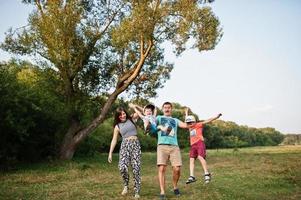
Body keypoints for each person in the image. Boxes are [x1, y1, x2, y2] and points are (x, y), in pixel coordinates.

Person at [155, 102, 188, 200]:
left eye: (169, 107)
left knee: (177, 169)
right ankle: (162, 192)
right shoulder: (159, 118)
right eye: (165, 107)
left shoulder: (175, 120)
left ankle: (175, 186)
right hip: (162, 146)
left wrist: (186, 114)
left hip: (174, 146)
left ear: (171, 109)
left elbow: (186, 125)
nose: (167, 109)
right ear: (162, 109)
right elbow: (149, 120)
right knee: (161, 169)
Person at [108, 107, 141, 199]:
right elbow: (114, 140)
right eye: (120, 115)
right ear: (117, 117)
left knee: (136, 168)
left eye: (124, 113)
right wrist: (110, 153)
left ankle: (137, 190)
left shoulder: (132, 119)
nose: (123, 116)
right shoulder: (117, 126)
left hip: (135, 145)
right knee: (122, 167)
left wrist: (134, 106)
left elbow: (142, 111)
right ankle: (126, 185)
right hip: (124, 146)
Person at [184, 107, 222, 184]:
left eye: (191, 122)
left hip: (199, 143)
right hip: (193, 145)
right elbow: (186, 120)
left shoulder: (198, 124)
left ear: (194, 121)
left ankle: (206, 173)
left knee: (200, 157)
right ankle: (192, 176)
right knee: (191, 160)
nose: (190, 124)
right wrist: (186, 113)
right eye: (188, 123)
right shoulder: (189, 127)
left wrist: (216, 117)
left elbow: (208, 120)